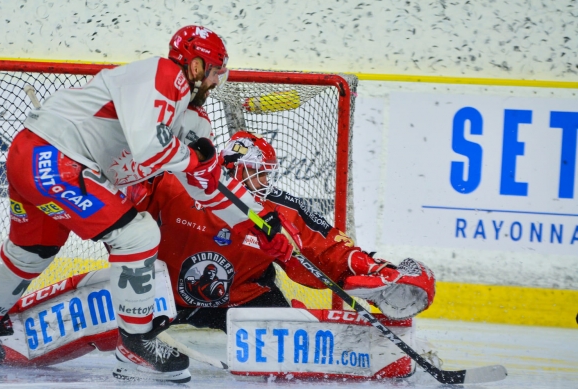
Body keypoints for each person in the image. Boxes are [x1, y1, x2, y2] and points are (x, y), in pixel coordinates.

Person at [0, 26, 294, 383]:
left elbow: (206, 185)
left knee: (32, 250)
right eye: (215, 71)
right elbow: (150, 148)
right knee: (138, 236)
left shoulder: (192, 116)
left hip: (33, 157)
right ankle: (137, 345)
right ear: (196, 67)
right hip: (53, 158)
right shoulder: (165, 74)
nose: (217, 82)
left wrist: (259, 221)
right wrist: (193, 159)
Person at [128, 130, 436, 332]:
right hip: (165, 300)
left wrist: (372, 269)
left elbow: (326, 250)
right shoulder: (174, 184)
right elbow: (123, 210)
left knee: (293, 333)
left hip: (242, 302)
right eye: (257, 175)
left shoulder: (279, 210)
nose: (264, 185)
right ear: (232, 168)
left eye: (267, 177)